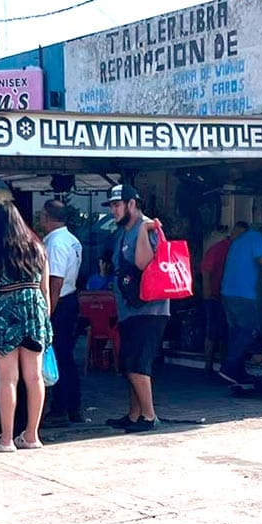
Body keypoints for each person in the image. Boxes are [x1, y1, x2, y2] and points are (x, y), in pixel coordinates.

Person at [0, 200, 52, 452]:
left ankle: (6, 439)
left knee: (8, 378)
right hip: (35, 310)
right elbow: (45, 289)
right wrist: (45, 320)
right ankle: (31, 436)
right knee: (34, 376)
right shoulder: (38, 248)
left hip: (4, 312)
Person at [103, 184, 169, 433]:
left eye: (117, 205)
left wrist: (143, 229)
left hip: (148, 309)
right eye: (111, 205)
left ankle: (149, 416)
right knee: (128, 364)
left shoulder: (146, 227)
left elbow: (143, 262)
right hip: (128, 309)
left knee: (138, 364)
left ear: (132, 204)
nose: (113, 210)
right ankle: (134, 414)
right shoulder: (122, 232)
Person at [39, 200, 84, 427]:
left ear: (47, 217)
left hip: (60, 303)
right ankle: (73, 405)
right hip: (69, 299)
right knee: (65, 357)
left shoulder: (56, 243)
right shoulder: (72, 240)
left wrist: (47, 313)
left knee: (58, 357)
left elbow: (54, 281)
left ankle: (61, 407)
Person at [219, 222, 262, 386]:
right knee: (248, 331)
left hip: (228, 292)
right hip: (243, 293)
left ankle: (237, 373)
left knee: (236, 333)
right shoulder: (258, 238)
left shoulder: (241, 240)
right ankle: (230, 368)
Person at [201, 222, 247, 377]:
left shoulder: (240, 250)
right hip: (215, 295)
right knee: (213, 331)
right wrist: (207, 291)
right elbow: (206, 269)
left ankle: (224, 367)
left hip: (231, 296)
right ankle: (208, 366)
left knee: (227, 332)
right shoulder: (221, 248)